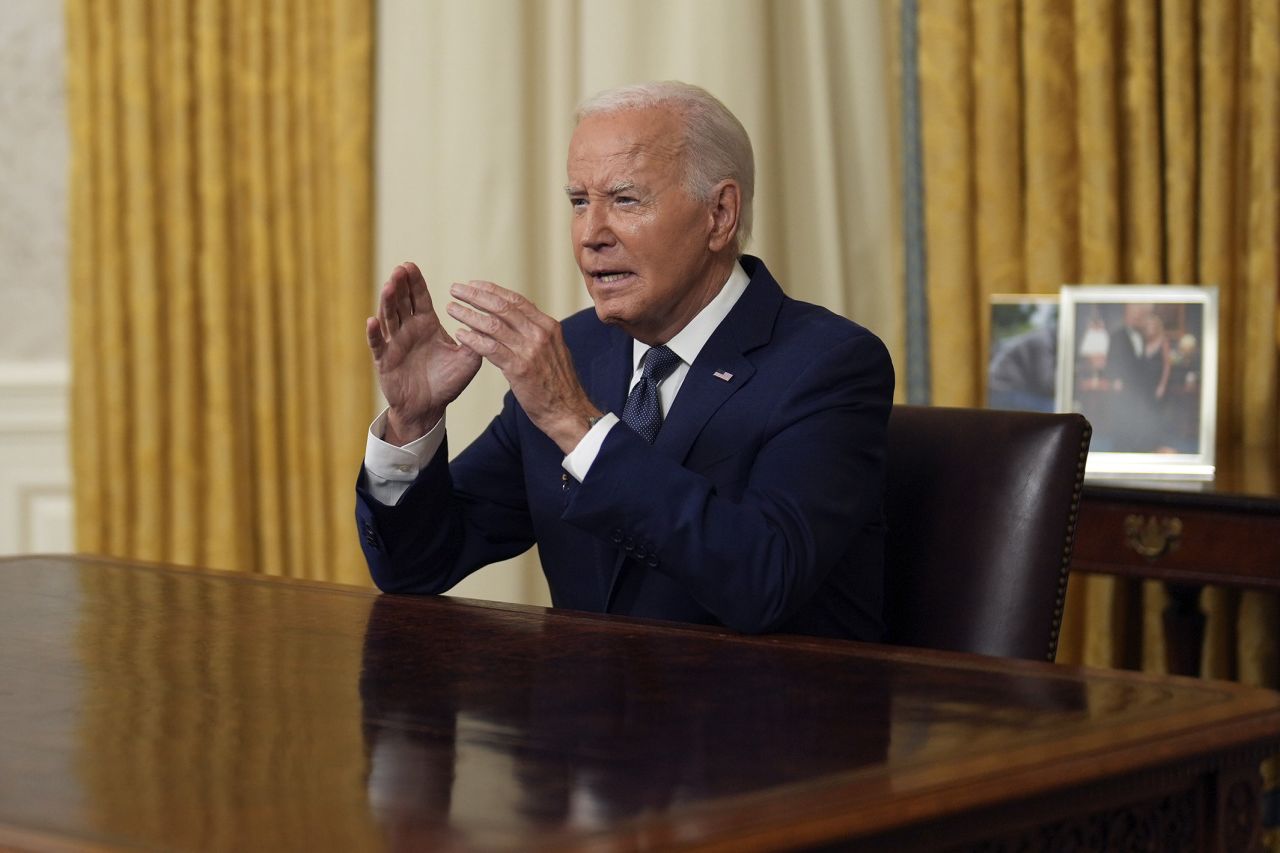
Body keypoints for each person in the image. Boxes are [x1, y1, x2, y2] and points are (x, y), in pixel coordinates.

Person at [355, 81, 894, 641]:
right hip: (587, 718)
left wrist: (576, 423)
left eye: (626, 200)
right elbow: (418, 565)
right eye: (579, 202)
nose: (591, 235)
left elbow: (764, 581)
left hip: (763, 718)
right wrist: (411, 424)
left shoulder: (829, 365)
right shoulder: (575, 352)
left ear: (720, 214)